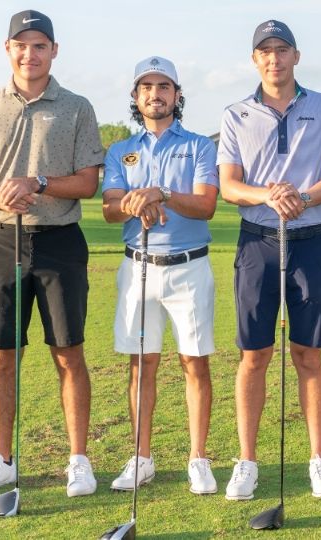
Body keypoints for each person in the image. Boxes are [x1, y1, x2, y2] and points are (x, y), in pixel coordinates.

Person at [0, 10, 103, 498]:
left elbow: (88, 182)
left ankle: (78, 459)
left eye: (40, 45)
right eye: (21, 44)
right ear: (7, 49)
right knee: (2, 356)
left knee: (68, 353)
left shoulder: (77, 107)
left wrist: (37, 183)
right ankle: (2, 460)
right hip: (0, 241)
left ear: (54, 51)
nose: (30, 53)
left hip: (59, 241)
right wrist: (1, 197)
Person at [217, 19, 321, 500]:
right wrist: (269, 196)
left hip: (310, 240)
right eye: (265, 51)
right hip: (258, 242)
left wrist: (303, 195)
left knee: (308, 354)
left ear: (296, 56)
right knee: (255, 355)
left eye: (282, 50)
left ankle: (318, 459)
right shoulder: (235, 114)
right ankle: (246, 462)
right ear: (255, 60)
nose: (274, 58)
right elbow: (229, 186)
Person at [102, 56, 220, 495]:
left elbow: (206, 204)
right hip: (138, 267)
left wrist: (163, 194)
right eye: (146, 87)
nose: (155, 94)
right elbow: (110, 208)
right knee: (141, 364)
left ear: (177, 95)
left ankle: (198, 458)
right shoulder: (121, 150)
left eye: (164, 86)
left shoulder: (199, 146)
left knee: (195, 362)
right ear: (136, 97)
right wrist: (136, 202)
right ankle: (141, 457)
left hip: (189, 267)